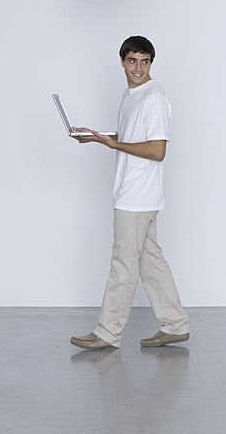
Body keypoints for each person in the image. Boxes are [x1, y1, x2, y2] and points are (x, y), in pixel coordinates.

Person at [70, 35, 190, 350]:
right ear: (122, 62)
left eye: (145, 61)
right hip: (135, 193)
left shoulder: (154, 98)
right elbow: (134, 137)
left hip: (137, 197)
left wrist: (114, 144)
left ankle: (107, 333)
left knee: (124, 264)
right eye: (133, 60)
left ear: (151, 63)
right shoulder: (131, 95)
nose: (138, 67)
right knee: (150, 261)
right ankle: (175, 323)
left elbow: (157, 149)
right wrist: (97, 138)